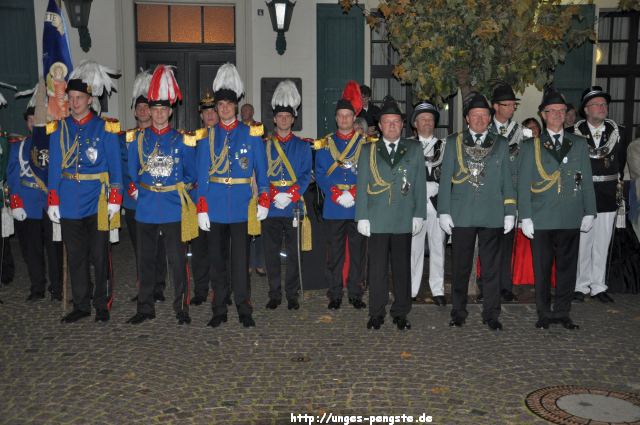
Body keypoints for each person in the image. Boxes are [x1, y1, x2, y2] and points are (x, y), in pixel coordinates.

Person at [47, 60, 122, 323]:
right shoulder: (58, 129)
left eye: (80, 98)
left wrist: (115, 198)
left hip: (98, 201)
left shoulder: (106, 128)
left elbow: (115, 167)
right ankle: (81, 303)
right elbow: (55, 167)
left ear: (90, 100)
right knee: (76, 256)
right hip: (68, 202)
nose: (75, 102)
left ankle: (102, 302)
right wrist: (53, 200)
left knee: (99, 255)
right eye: (71, 98)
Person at [196, 63, 270, 328]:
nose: (224, 108)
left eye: (229, 104)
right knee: (217, 261)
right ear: (215, 108)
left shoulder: (250, 135)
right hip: (215, 207)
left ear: (236, 106)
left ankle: (243, 307)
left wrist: (264, 198)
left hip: (240, 206)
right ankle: (219, 309)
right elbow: (202, 174)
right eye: (220, 105)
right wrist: (201, 206)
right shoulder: (207, 137)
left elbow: (262, 170)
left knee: (241, 262)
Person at [518, 88, 596, 329]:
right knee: (542, 269)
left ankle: (563, 312)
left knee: (567, 268)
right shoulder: (532, 146)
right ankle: (544, 312)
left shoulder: (578, 143)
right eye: (552, 111)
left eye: (562, 111)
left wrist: (589, 210)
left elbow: (586, 178)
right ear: (543, 114)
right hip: (541, 217)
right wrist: (526, 217)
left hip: (570, 215)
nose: (557, 115)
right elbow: (523, 183)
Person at [126, 65, 198, 325]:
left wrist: (180, 192)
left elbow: (191, 174)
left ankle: (181, 307)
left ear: (169, 111)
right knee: (144, 261)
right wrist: (136, 189)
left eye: (162, 110)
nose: (157, 114)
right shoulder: (137, 139)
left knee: (178, 262)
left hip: (172, 207)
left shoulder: (183, 141)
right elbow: (131, 172)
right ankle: (145, 307)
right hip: (145, 207)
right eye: (153, 109)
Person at [438, 92, 516, 331]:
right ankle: (458, 312)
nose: (480, 120)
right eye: (475, 115)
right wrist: (444, 211)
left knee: (492, 269)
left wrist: (510, 210)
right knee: (460, 267)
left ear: (490, 118)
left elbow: (507, 181)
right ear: (467, 118)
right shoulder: (454, 142)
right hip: (461, 214)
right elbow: (445, 180)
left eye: (484, 116)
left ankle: (491, 314)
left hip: (492, 213)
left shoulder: (501, 144)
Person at [355, 98, 426, 330]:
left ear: (402, 125)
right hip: (377, 218)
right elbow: (363, 182)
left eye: (396, 122)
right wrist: (362, 216)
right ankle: (376, 312)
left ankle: (401, 312)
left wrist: (419, 214)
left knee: (401, 268)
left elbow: (419, 184)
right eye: (388, 122)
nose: (392, 126)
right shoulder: (368, 150)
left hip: (403, 217)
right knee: (376, 269)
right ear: (380, 126)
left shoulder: (414, 149)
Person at [568, 86, 626, 303]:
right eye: (597, 104)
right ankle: (580, 286)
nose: (602, 108)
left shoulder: (618, 132)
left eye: (604, 104)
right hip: (582, 193)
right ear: (586, 109)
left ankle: (598, 285)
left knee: (602, 242)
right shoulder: (572, 133)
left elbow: (619, 164)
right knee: (583, 242)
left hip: (608, 194)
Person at [476, 83, 532, 303]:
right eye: (507, 105)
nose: (511, 109)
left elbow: (526, 164)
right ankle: (485, 285)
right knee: (487, 242)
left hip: (512, 192)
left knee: (507, 242)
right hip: (488, 192)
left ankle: (505, 286)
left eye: (513, 105)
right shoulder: (484, 130)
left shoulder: (520, 132)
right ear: (496, 106)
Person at [315, 81, 367, 311]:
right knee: (334, 254)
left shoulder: (365, 145)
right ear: (336, 118)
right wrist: (336, 193)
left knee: (357, 254)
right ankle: (334, 293)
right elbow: (320, 173)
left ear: (353, 119)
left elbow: (369, 173)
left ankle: (356, 292)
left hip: (357, 206)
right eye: (341, 116)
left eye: (348, 116)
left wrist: (354, 193)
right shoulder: (326, 144)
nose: (344, 120)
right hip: (334, 207)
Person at [8, 88, 63, 302]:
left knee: (55, 249)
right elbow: (13, 177)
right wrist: (16, 203)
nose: (34, 123)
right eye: (31, 120)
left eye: (38, 119)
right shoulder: (18, 147)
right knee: (32, 251)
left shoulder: (55, 145)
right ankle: (37, 286)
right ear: (27, 123)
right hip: (28, 206)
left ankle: (57, 287)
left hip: (50, 205)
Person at [263, 80, 312, 311]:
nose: (283, 119)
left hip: (293, 206)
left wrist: (290, 195)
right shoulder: (264, 146)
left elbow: (304, 176)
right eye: (279, 116)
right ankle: (274, 293)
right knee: (271, 253)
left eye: (287, 116)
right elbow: (260, 174)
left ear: (293, 119)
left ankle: (292, 293)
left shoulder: (302, 147)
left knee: (294, 253)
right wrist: (272, 195)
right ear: (274, 119)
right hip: (271, 206)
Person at [121, 69, 167, 304]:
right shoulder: (127, 137)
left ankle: (159, 286)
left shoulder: (159, 136)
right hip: (133, 201)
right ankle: (144, 287)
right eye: (138, 107)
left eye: (145, 107)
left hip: (156, 198)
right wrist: (132, 188)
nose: (142, 111)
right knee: (141, 248)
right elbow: (122, 167)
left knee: (158, 246)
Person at [409, 101, 446, 306]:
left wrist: (438, 187)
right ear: (415, 123)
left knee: (438, 248)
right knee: (414, 249)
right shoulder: (408, 145)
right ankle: (412, 289)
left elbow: (450, 176)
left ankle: (438, 290)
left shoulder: (444, 147)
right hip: (415, 204)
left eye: (430, 119)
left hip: (438, 204)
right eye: (423, 119)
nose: (427, 123)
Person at [190, 91, 219, 306]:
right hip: (197, 200)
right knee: (198, 249)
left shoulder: (227, 136)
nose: (210, 115)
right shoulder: (192, 139)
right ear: (201, 115)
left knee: (219, 249)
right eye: (206, 112)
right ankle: (200, 289)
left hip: (219, 200)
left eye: (213, 111)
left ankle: (219, 289)